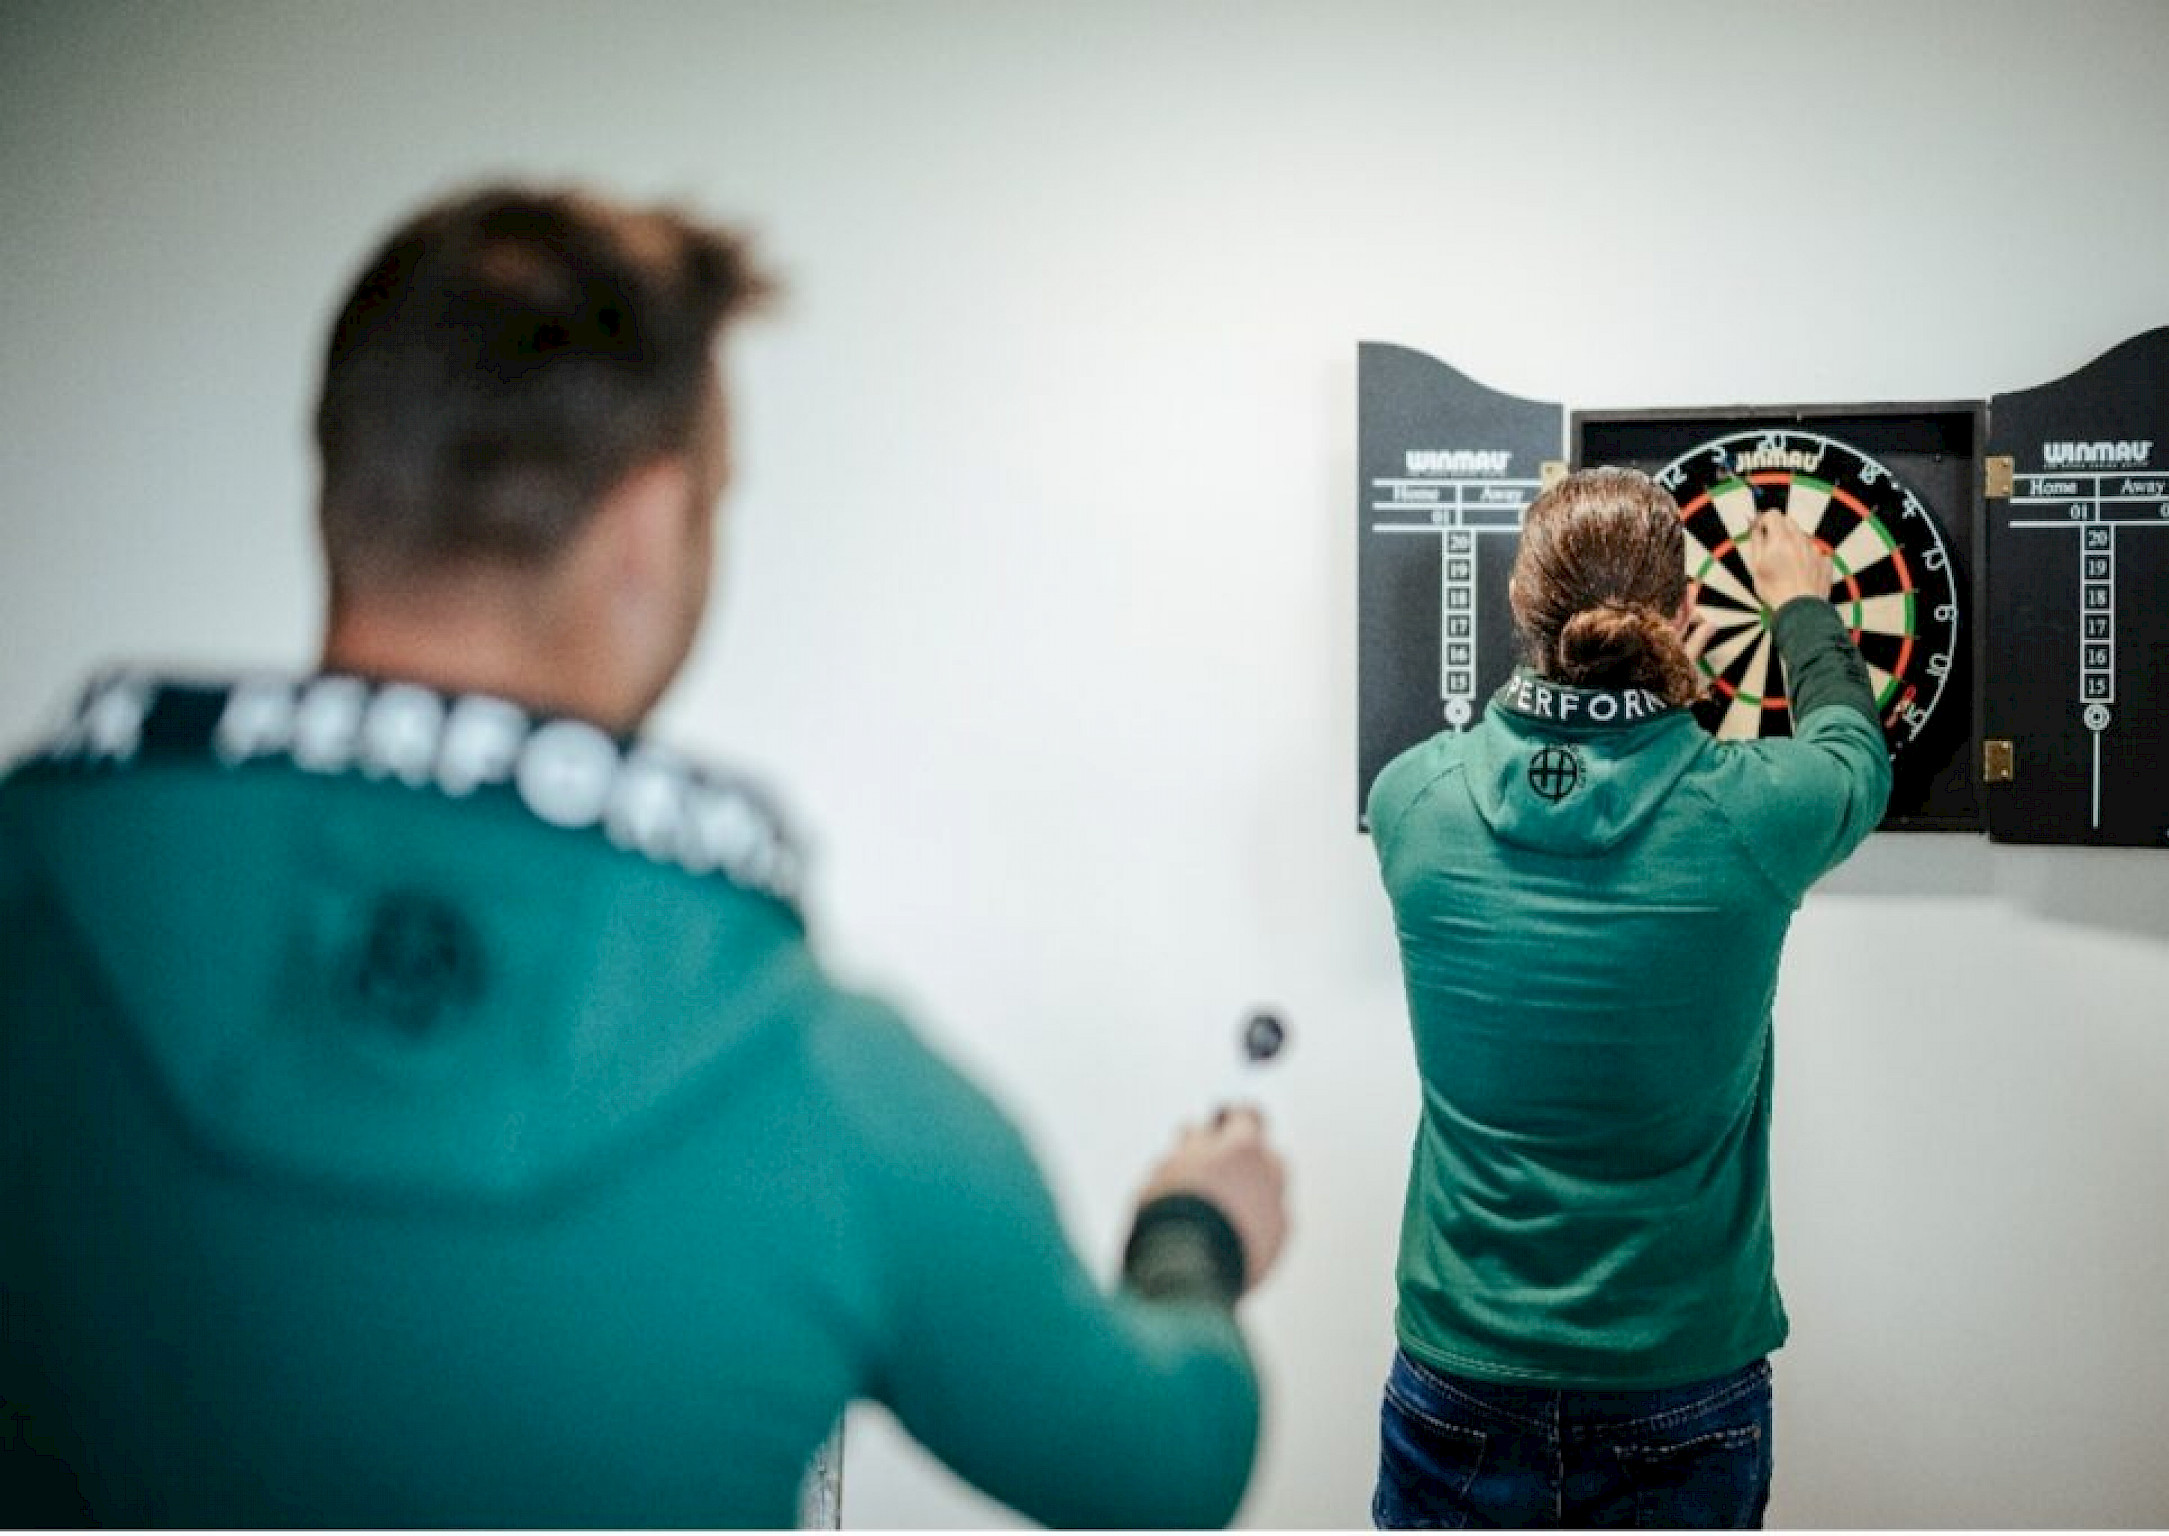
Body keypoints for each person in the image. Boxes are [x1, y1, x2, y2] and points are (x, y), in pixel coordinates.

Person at [0, 185, 1287, 1528]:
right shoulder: (833, 1092)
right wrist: (1195, 1236)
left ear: (343, 482)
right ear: (649, 528)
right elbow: (1159, 1468)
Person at [1364, 467, 1890, 1528]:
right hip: (1678, 1377)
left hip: (1459, 1367)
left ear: (1519, 603)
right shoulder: (1757, 814)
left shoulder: (1410, 800)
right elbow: (1850, 755)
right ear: (1686, 615)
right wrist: (1795, 602)